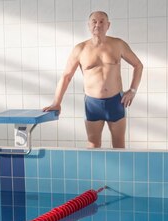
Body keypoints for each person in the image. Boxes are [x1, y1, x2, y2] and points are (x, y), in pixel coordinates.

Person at [43, 11, 143, 149]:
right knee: (93, 146)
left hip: (116, 101)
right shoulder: (80, 49)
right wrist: (56, 102)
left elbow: (138, 65)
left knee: (119, 146)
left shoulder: (118, 44)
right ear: (89, 25)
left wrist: (132, 90)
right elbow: (66, 76)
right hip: (92, 104)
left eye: (102, 21)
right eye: (94, 21)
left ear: (108, 25)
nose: (98, 24)